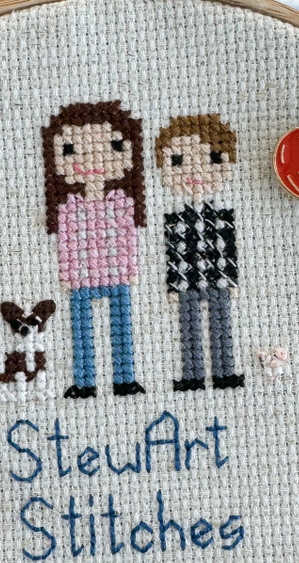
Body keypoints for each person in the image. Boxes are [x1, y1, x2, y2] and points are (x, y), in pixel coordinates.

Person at [41, 101, 146, 398]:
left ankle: (124, 380)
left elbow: (128, 241)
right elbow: (67, 245)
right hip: (81, 278)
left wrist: (131, 271)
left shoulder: (122, 203)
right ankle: (85, 382)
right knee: (82, 331)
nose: (90, 159)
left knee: (121, 327)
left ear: (127, 155)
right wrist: (66, 275)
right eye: (73, 150)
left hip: (116, 275)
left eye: (110, 146)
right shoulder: (68, 209)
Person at [156, 114, 243, 390]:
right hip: (187, 283)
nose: (193, 173)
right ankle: (192, 376)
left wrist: (231, 281)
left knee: (221, 330)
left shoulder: (223, 215)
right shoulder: (175, 219)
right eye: (178, 162)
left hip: (217, 281)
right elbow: (172, 254)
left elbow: (228, 250)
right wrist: (172, 285)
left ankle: (224, 373)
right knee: (189, 329)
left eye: (213, 159)